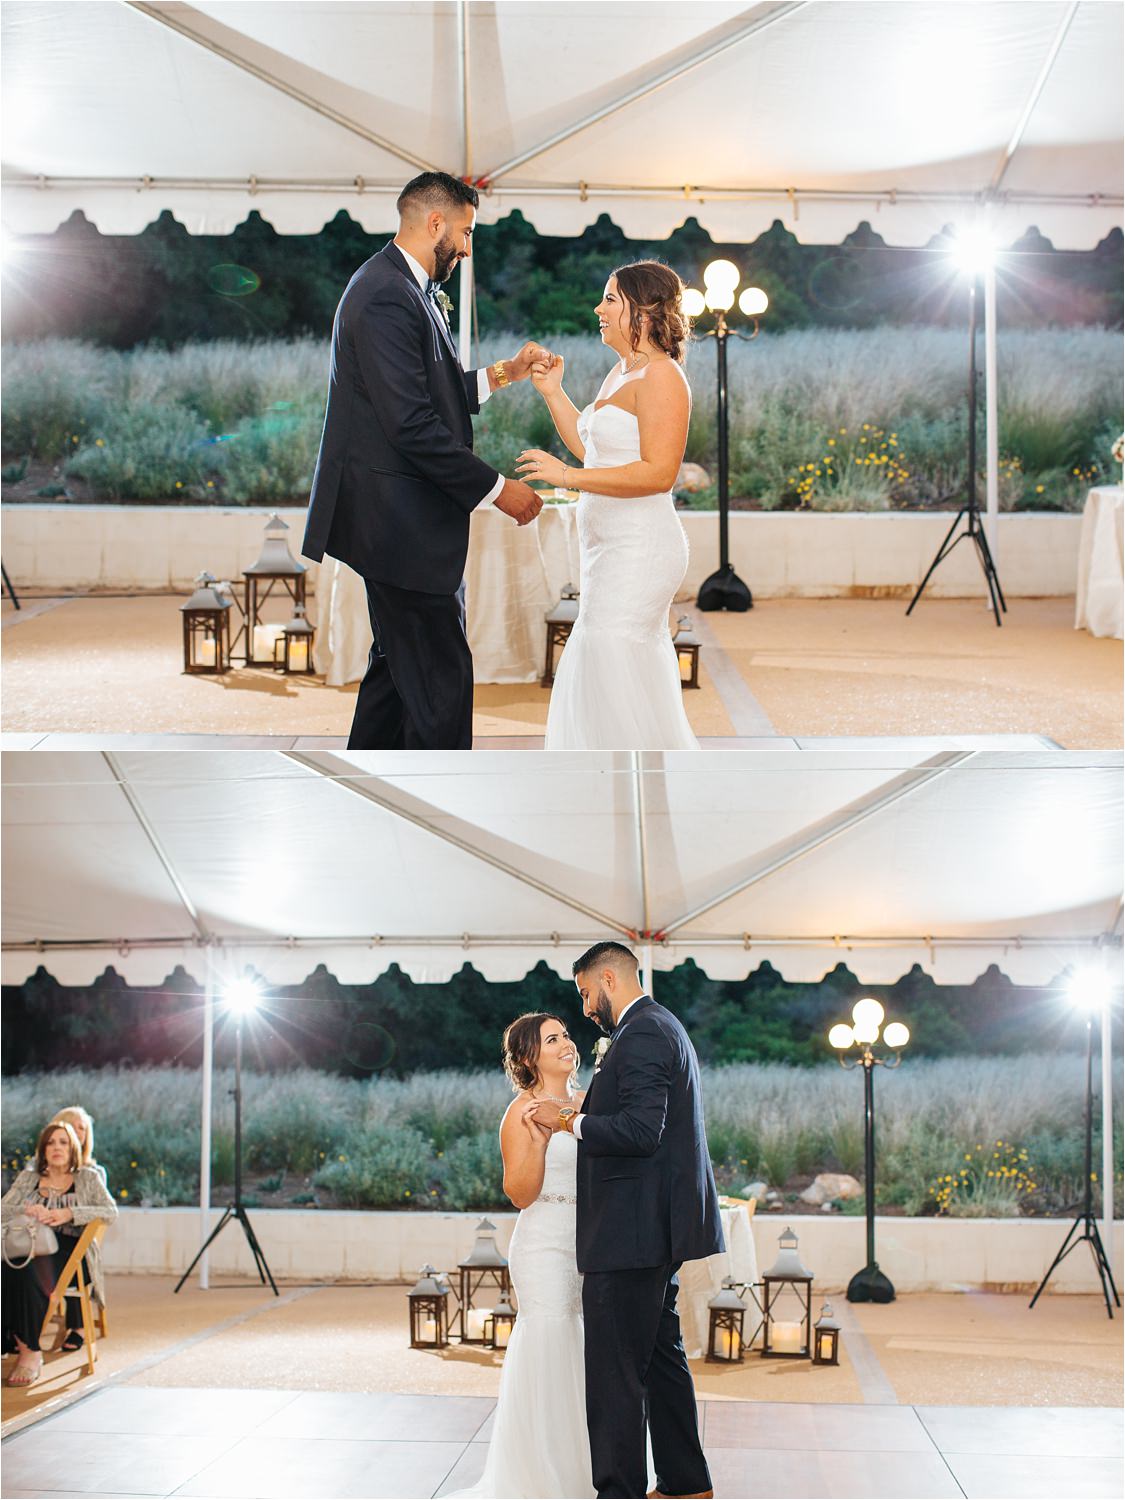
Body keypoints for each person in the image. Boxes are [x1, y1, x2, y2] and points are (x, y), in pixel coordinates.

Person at [303, 169, 548, 750]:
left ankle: (369, 782)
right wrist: (497, 490)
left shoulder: (403, 286)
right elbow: (410, 424)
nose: (466, 247)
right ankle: (446, 797)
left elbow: (427, 394)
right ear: (434, 222)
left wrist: (502, 374)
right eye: (464, 233)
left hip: (401, 518)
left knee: (398, 671)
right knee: (440, 677)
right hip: (397, 522)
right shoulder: (385, 293)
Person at [532, 942, 722, 1500]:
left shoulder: (640, 1033)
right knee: (662, 1358)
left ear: (609, 979)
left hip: (630, 1233)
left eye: (587, 993)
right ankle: (686, 1482)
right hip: (651, 1229)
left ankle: (618, 1493)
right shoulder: (661, 1025)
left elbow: (642, 1132)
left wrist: (570, 1120)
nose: (587, 1008)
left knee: (615, 1376)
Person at [518, 262, 699, 751]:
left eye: (611, 299)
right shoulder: (622, 371)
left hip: (640, 547)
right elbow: (591, 448)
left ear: (644, 312)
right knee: (604, 655)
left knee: (612, 653)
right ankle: (610, 780)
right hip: (607, 546)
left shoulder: (664, 377)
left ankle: (634, 780)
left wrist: (567, 479)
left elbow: (659, 473)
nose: (599, 308)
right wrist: (553, 393)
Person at [451, 1012, 596, 1500]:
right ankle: (545, 1478)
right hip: (545, 1243)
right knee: (550, 1340)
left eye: (566, 1034)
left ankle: (588, 1469)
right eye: (552, 1038)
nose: (566, 1043)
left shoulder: (589, 1101)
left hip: (591, 1243)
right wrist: (541, 1138)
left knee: (581, 1348)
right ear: (530, 1057)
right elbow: (519, 1193)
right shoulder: (521, 1112)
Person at [1, 1120, 118, 1386]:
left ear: (74, 1148)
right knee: (9, 1265)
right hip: (30, 1245)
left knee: (25, 1271)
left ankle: (29, 1351)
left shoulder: (87, 1177)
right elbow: (2, 1209)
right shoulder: (30, 1177)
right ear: (43, 1150)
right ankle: (17, 1340)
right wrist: (27, 1210)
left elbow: (110, 1212)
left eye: (63, 1142)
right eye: (51, 1142)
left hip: (70, 1249)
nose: (57, 1147)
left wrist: (70, 1213)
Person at [50, 1107, 106, 1351]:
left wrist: (70, 1213)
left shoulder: (93, 1173)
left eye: (82, 1128)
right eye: (72, 1126)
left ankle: (78, 1326)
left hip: (78, 1240)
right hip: (44, 1237)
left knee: (74, 1255)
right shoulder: (40, 1171)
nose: (78, 1132)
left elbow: (103, 1212)